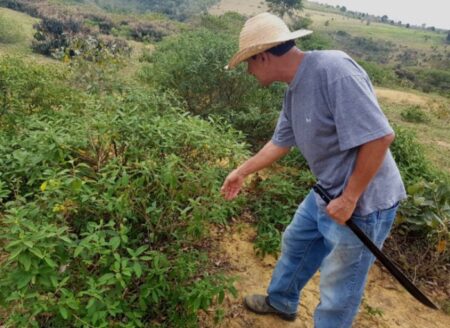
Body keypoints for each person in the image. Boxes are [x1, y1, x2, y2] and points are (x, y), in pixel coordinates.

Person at [220, 12, 406, 327]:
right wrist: (241, 171)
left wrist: (349, 199)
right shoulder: (294, 89)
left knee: (338, 289)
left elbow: (380, 138)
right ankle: (282, 302)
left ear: (263, 57)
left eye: (249, 63)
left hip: (363, 203)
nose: (248, 71)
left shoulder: (334, 71)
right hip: (327, 191)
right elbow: (279, 143)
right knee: (297, 241)